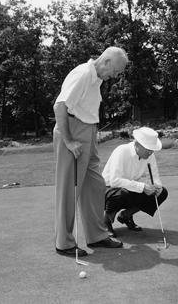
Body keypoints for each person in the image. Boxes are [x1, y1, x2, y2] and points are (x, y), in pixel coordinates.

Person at [53, 47, 128, 257]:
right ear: (106, 61)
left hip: (88, 131)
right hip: (72, 131)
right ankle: (64, 243)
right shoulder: (83, 74)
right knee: (69, 189)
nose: (115, 76)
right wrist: (68, 141)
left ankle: (97, 236)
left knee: (95, 184)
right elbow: (60, 106)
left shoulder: (97, 78)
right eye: (115, 71)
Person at [102, 127, 169, 238]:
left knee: (162, 193)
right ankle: (106, 222)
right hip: (107, 189)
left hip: (129, 188)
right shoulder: (122, 151)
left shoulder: (150, 155)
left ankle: (125, 216)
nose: (150, 152)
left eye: (152, 149)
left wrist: (157, 187)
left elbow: (155, 177)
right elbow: (114, 181)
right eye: (148, 149)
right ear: (137, 144)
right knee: (122, 193)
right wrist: (142, 187)